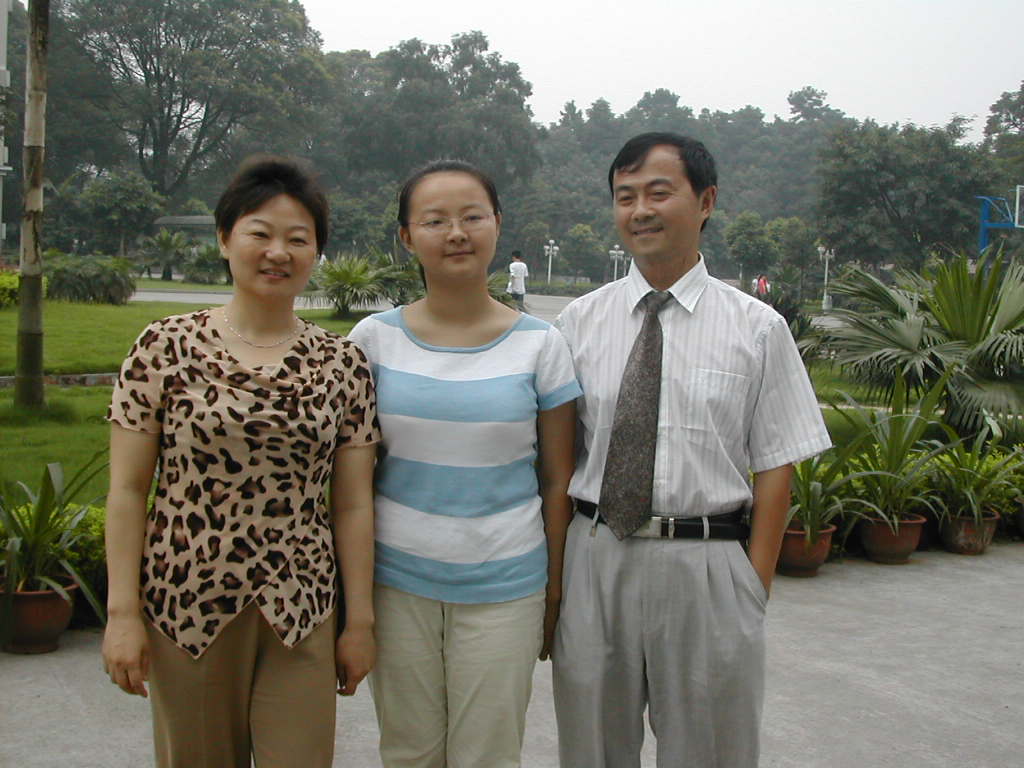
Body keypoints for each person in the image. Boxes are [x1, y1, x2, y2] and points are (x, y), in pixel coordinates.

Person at [552, 132, 831, 767]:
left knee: (710, 752)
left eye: (658, 193)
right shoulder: (576, 325)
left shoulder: (757, 328)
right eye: (625, 196)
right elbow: (561, 460)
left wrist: (752, 585)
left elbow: (776, 463)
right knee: (591, 749)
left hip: (708, 565)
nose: (640, 211)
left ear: (705, 202)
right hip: (597, 557)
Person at [101, 155, 380, 768]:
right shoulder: (164, 347)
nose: (278, 252)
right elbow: (127, 490)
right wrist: (122, 613)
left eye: (298, 239)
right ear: (226, 238)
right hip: (188, 602)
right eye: (260, 233)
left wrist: (359, 622)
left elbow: (353, 504)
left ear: (316, 252)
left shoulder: (344, 364)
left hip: (302, 605)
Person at [348, 159, 580, 768]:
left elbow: (558, 480)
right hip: (396, 583)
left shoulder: (541, 344)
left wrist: (554, 589)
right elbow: (351, 485)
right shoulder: (371, 342)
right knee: (409, 752)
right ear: (407, 237)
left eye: (472, 217)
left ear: (497, 224)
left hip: (507, 586)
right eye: (435, 221)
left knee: (488, 754)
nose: (456, 233)